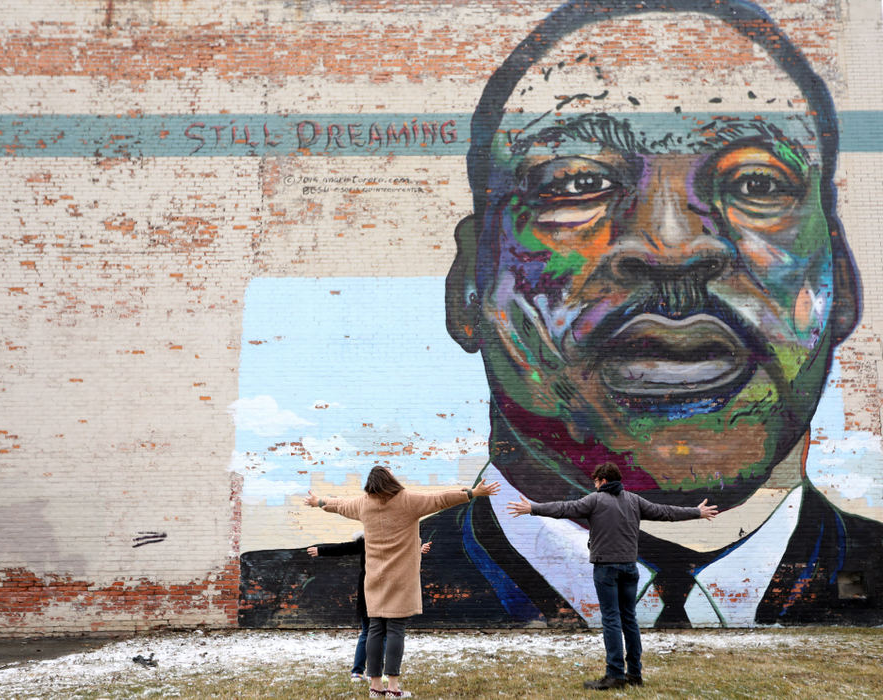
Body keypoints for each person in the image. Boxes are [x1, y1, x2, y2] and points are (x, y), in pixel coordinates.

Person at [239, 0, 883, 630]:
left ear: (846, 285)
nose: (674, 247)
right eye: (576, 183)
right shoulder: (281, 600)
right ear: (467, 289)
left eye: (758, 185)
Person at [508, 461, 718, 689]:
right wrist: (697, 512)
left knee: (611, 620)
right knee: (629, 619)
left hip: (606, 568)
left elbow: (564, 508)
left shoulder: (594, 500)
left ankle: (615, 675)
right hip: (630, 567)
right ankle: (635, 674)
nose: (595, 486)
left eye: (596, 482)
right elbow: (665, 512)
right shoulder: (634, 501)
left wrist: (533, 508)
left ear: (603, 481)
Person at [304, 466, 500, 698]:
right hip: (402, 578)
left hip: (374, 577)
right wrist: (472, 493)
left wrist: (319, 502)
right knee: (396, 628)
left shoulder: (363, 504)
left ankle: (375, 687)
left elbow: (339, 505)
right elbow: (440, 499)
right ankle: (394, 688)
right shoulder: (407, 501)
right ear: (390, 480)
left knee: (376, 629)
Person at [306, 534, 432, 682]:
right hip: (384, 590)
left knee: (370, 632)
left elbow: (344, 548)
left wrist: (321, 550)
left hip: (372, 590)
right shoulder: (391, 539)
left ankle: (359, 672)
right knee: (382, 632)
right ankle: (378, 673)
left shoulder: (370, 539)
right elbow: (403, 556)